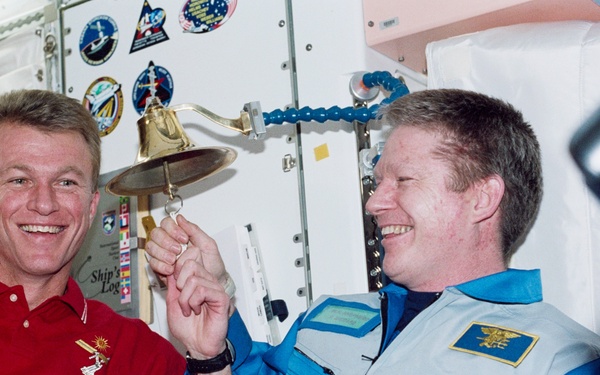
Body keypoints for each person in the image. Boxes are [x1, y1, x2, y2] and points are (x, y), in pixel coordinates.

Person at [146, 89, 600, 374]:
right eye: (376, 182)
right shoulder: (323, 320)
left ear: (482, 199)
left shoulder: (561, 358)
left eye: (402, 180)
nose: (374, 203)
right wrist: (212, 354)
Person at [0, 89, 187, 373]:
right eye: (20, 180)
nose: (44, 204)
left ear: (91, 207)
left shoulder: (137, 353)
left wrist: (211, 359)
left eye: (66, 183)